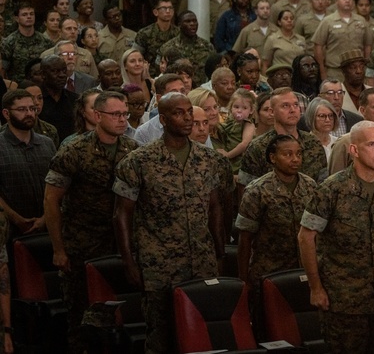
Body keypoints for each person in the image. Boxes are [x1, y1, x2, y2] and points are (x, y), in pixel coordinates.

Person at [112, 92, 227, 354]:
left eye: (189, 112)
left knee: (202, 335)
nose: (187, 119)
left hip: (201, 262)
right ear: (163, 119)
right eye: (179, 113)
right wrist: (129, 262)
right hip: (159, 265)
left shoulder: (208, 159)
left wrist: (219, 252)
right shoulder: (139, 162)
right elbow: (121, 215)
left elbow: (215, 207)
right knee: (161, 337)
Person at [44, 90, 138, 354]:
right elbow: (51, 201)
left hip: (121, 244)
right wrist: (58, 249)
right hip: (82, 245)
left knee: (121, 315)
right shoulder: (74, 151)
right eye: (115, 114)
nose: (122, 120)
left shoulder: (133, 150)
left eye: (125, 114)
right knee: (81, 320)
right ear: (97, 116)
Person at [236, 134, 318, 330]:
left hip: (303, 270)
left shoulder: (311, 187)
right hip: (269, 271)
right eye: (288, 154)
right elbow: (245, 239)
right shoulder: (257, 190)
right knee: (270, 328)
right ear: (273, 158)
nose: (295, 159)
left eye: (298, 154)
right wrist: (243, 280)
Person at [1, 89, 57, 236]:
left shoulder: (47, 143)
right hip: (9, 230)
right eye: (22, 109)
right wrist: (17, 219)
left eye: (32, 109)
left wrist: (45, 218)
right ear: (6, 114)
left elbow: (57, 185)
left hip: (48, 227)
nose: (29, 114)